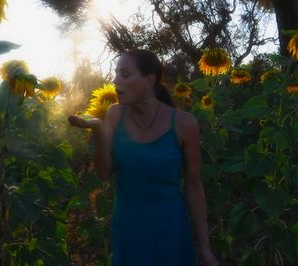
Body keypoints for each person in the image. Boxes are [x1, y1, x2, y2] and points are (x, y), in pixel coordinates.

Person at [68, 49, 218, 266]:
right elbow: (102, 172)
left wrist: (204, 248)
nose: (116, 81)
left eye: (125, 74)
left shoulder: (184, 124)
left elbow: (194, 187)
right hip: (128, 231)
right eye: (116, 74)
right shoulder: (114, 115)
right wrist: (98, 129)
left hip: (170, 231)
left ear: (149, 80)